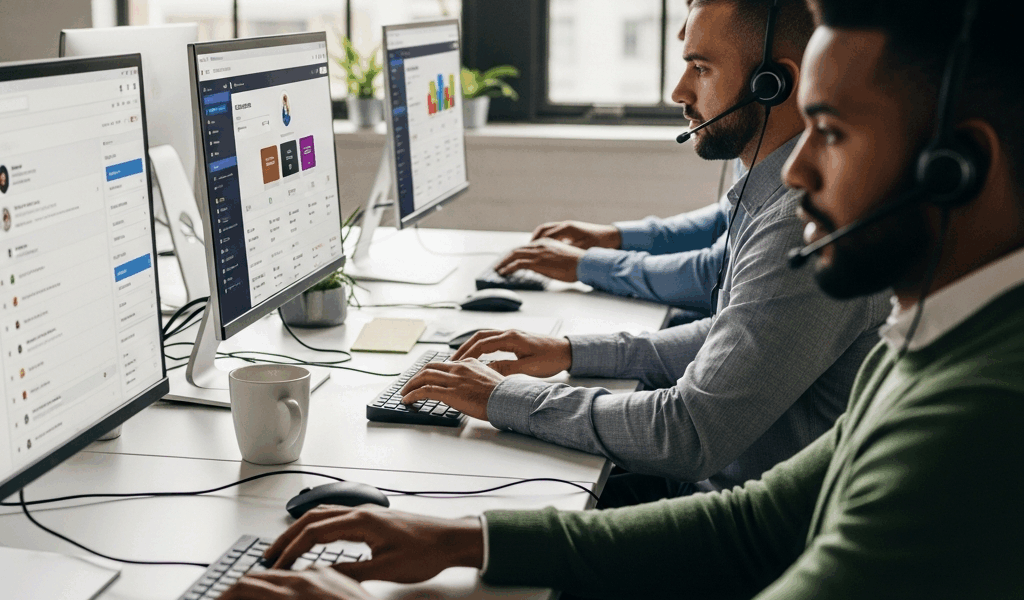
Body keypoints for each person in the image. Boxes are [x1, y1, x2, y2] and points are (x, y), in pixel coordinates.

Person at [221, 0, 1024, 597]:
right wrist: (469, 538)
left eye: (834, 134)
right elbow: (755, 524)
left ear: (957, 168)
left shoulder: (978, 415)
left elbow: (712, 459)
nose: (799, 169)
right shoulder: (925, 343)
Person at [406, 0, 891, 508]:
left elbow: (687, 433)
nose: (679, 91)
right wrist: (573, 351)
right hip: (709, 496)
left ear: (773, 83)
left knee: (479, 501)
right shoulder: (771, 191)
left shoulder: (801, 221)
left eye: (701, 68)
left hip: (730, 523)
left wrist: (501, 397)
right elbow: (731, 332)